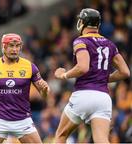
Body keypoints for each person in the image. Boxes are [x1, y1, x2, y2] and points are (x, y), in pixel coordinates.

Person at [54, 8, 130, 143]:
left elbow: (83, 67)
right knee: (101, 140)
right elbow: (125, 72)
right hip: (103, 98)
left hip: (83, 95)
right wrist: (104, 78)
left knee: (61, 135)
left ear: (83, 22)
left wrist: (64, 75)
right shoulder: (109, 43)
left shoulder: (80, 41)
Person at [0, 33, 50, 143]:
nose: (15, 49)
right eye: (11, 46)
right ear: (3, 46)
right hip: (0, 120)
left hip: (23, 121)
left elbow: (44, 95)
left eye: (17, 46)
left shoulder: (30, 66)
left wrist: (45, 89)